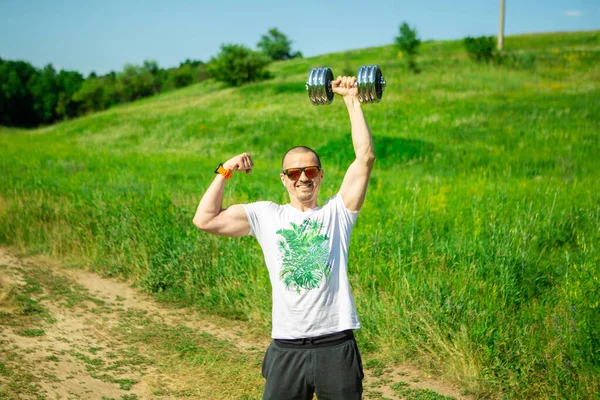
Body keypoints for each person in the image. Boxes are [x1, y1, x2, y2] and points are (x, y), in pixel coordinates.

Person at [193, 75, 375, 400]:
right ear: (284, 179)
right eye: (294, 173)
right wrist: (225, 170)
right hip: (286, 347)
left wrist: (351, 98)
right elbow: (204, 219)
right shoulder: (266, 215)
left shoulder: (338, 212)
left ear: (321, 176)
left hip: (336, 344)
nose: (303, 178)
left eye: (310, 171)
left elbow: (365, 158)